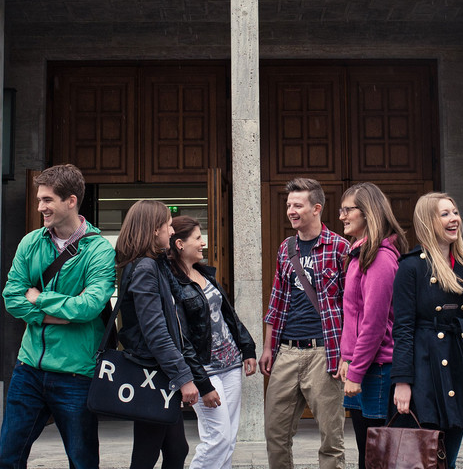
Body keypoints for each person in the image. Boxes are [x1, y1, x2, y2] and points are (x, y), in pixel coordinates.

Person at [0, 164, 116, 469]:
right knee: (9, 458)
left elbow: (89, 307)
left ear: (71, 201)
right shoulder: (30, 242)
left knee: (82, 461)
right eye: (39, 200)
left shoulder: (99, 250)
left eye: (47, 200)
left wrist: (40, 298)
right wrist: (54, 316)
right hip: (28, 369)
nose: (40, 207)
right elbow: (11, 298)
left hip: (75, 373)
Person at [391, 192, 463, 469]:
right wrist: (402, 382)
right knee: (423, 461)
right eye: (445, 214)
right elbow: (402, 328)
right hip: (425, 372)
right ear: (428, 221)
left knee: (447, 460)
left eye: (455, 212)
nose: (454, 219)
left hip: (458, 369)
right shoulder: (411, 267)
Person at [260, 177, 350, 469]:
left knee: (331, 439)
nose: (291, 210)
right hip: (287, 351)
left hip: (324, 353)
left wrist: (347, 356)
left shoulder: (340, 247)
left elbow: (352, 306)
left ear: (316, 208)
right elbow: (276, 301)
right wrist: (268, 347)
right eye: (288, 205)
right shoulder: (286, 248)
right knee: (275, 433)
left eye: (298, 205)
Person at [167, 215, 258, 469]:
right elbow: (181, 339)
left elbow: (227, 314)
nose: (203, 242)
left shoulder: (204, 272)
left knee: (228, 439)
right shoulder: (171, 284)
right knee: (216, 438)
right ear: (180, 244)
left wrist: (246, 347)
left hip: (230, 365)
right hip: (205, 371)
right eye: (197, 237)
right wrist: (202, 384)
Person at [115, 200, 200, 469]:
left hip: (158, 371)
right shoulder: (144, 269)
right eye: (167, 226)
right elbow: (156, 332)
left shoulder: (154, 265)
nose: (172, 231)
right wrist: (183, 377)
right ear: (154, 230)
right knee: (147, 453)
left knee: (176, 449)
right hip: (152, 373)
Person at [335, 182, 408, 469]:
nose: (341, 215)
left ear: (368, 213)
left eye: (347, 209)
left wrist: (355, 369)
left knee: (377, 458)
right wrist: (346, 356)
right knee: (367, 454)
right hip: (364, 368)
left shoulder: (378, 258)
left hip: (376, 371)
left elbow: (374, 325)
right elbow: (353, 314)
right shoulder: (360, 254)